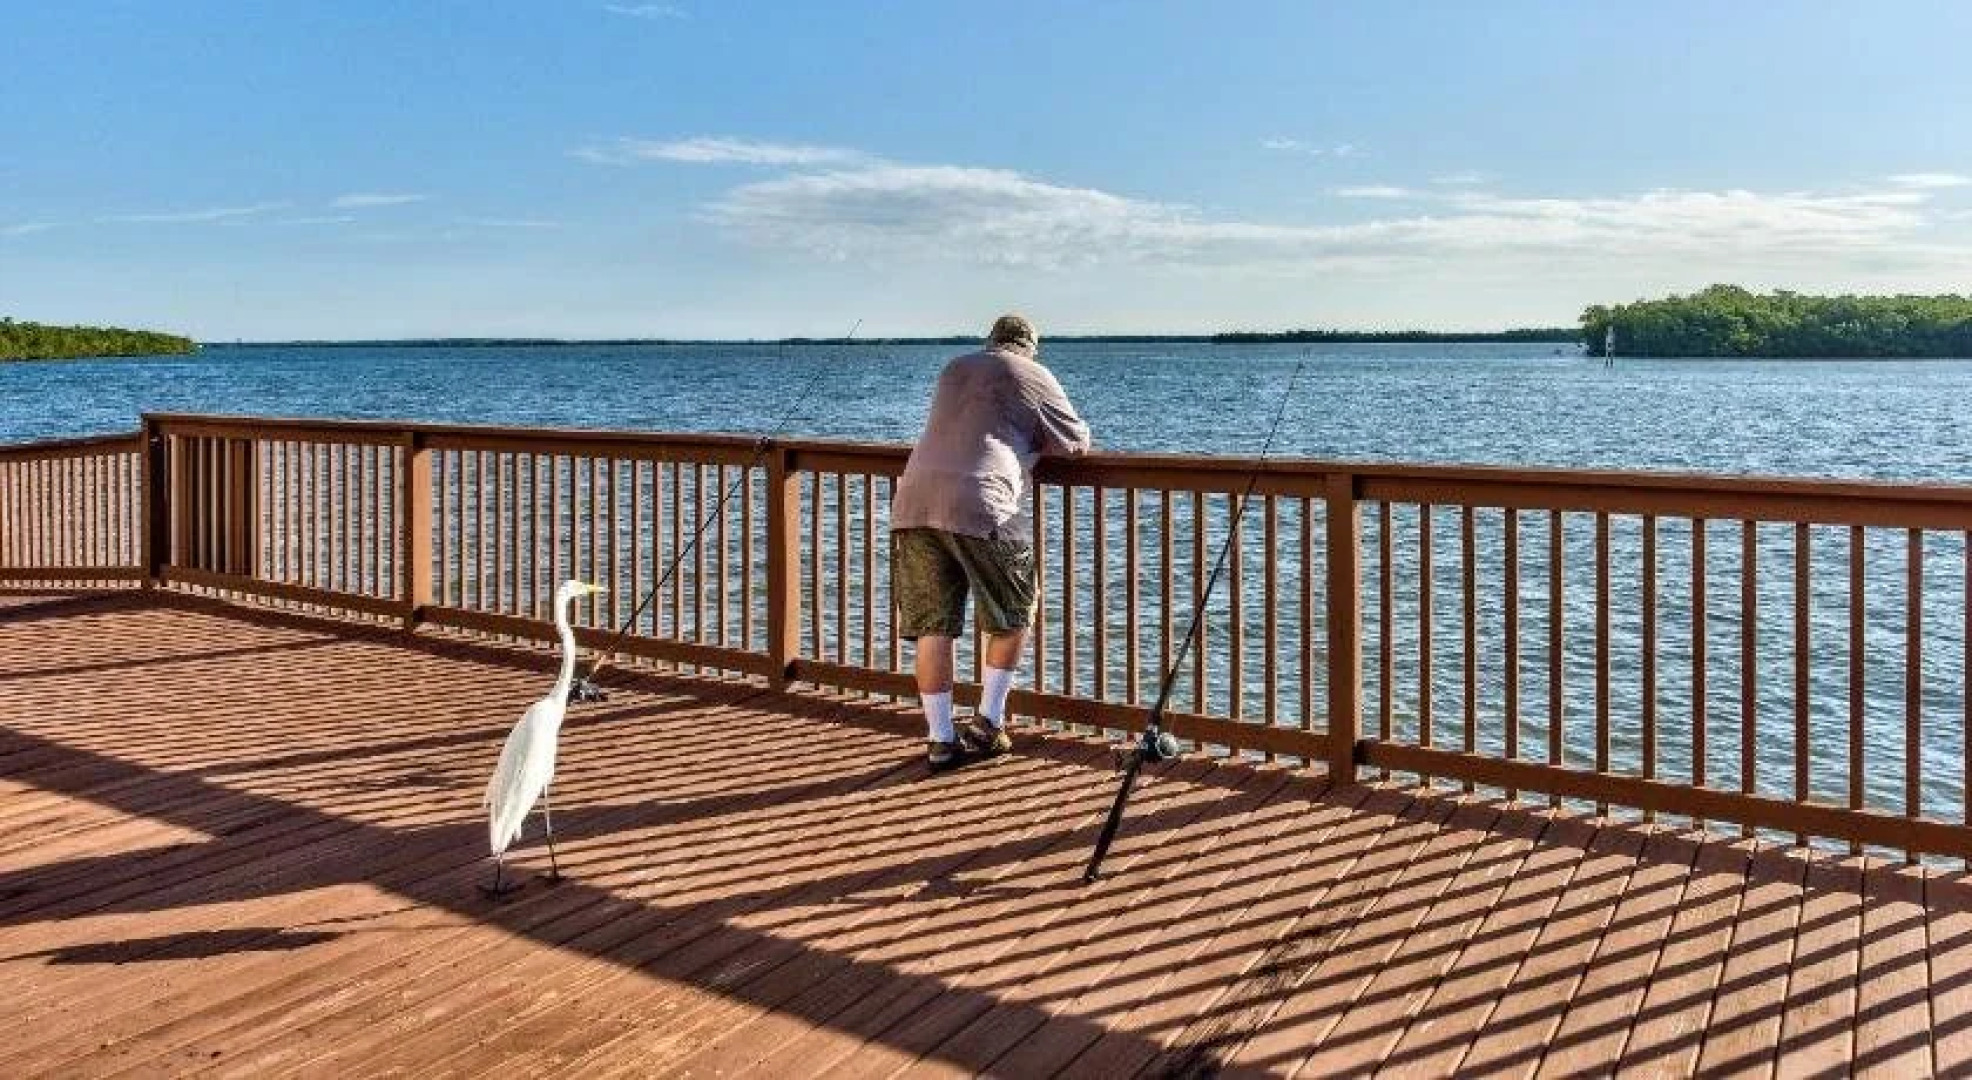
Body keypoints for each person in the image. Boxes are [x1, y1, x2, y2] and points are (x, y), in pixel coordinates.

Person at [891, 313, 1092, 769]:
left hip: (915, 502)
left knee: (933, 625)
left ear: (990, 341)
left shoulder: (954, 368)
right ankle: (989, 722)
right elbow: (1077, 441)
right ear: (1029, 348)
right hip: (982, 504)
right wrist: (1037, 444)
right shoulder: (1033, 374)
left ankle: (941, 740)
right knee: (1015, 611)